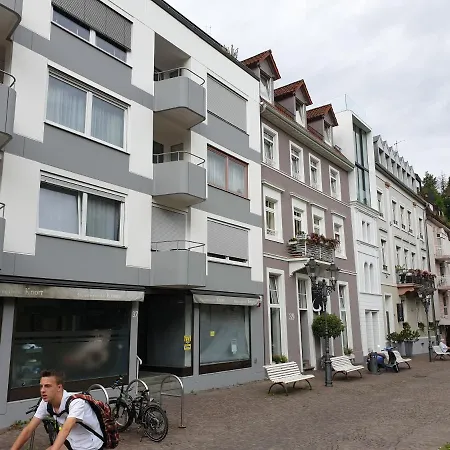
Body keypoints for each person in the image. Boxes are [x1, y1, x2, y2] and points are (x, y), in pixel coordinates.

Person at [10, 369, 104, 450]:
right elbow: (28, 429)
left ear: (59, 387)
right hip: (72, 441)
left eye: (47, 386)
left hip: (90, 445)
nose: (42, 390)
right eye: (41, 386)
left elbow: (65, 429)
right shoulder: (46, 402)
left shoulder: (76, 402)